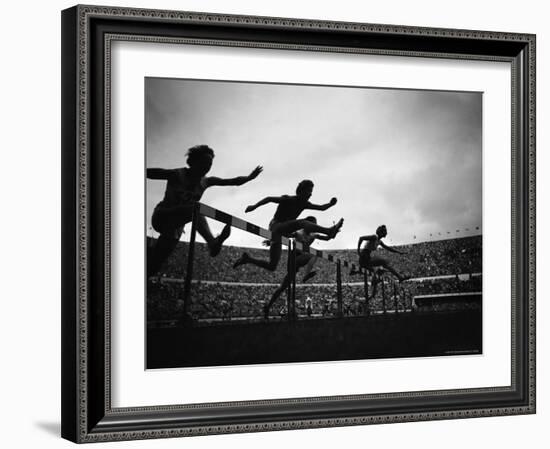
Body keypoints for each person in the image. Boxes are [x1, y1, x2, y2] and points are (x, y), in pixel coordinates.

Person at [147, 144, 262, 277]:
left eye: (209, 165)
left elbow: (232, 181)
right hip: (162, 216)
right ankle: (212, 242)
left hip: (175, 227)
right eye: (204, 163)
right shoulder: (177, 174)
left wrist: (249, 178)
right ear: (193, 162)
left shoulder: (206, 182)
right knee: (196, 208)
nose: (206, 168)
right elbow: (150, 172)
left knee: (154, 265)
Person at [233, 179, 343, 272]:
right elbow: (269, 199)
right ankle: (329, 230)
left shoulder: (304, 204)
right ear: (301, 191)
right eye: (308, 191)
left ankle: (248, 259)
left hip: (283, 232)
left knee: (272, 266)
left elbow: (321, 208)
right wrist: (254, 206)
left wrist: (330, 204)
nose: (310, 194)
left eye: (311, 191)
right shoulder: (289, 199)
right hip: (276, 226)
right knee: (303, 223)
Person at [261, 216, 334, 320]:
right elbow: (285, 236)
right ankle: (306, 274)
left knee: (283, 287)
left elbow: (327, 238)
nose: (314, 227)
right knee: (314, 254)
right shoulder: (298, 233)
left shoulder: (314, 235)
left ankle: (268, 307)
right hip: (293, 258)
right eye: (312, 225)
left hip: (299, 261)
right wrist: (271, 241)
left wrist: (333, 232)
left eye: (315, 226)